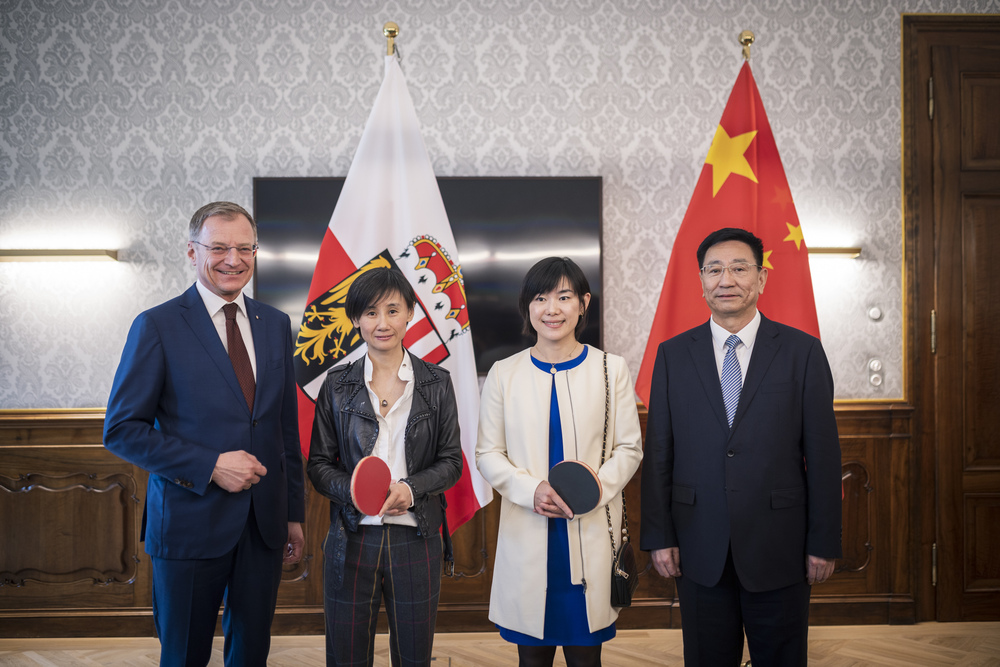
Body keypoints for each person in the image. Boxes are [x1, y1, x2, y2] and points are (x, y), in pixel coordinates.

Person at [103, 201, 305, 667]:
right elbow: (121, 431)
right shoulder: (157, 325)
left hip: (263, 525)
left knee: (252, 651)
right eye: (218, 247)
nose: (233, 259)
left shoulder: (275, 324)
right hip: (189, 524)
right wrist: (211, 465)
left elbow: (283, 429)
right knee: (184, 655)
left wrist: (293, 512)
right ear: (193, 253)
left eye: (244, 248)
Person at [639, 227, 842, 666]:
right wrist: (659, 536)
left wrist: (823, 541)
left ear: (762, 278)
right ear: (701, 280)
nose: (725, 279)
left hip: (780, 545)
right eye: (714, 269)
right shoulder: (673, 354)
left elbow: (824, 455)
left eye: (738, 268)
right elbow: (659, 451)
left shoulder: (802, 351)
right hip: (697, 544)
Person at [476, 257, 643, 667]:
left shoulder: (610, 369)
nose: (552, 308)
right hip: (528, 534)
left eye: (564, 296)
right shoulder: (504, 373)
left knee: (586, 659)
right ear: (527, 307)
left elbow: (629, 448)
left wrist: (590, 491)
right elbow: (487, 453)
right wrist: (531, 490)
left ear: (583, 303)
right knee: (531, 658)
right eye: (540, 297)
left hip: (590, 536)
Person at [307, 266, 463, 667]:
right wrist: (359, 493)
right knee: (346, 657)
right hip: (352, 537)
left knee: (414, 657)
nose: (382, 323)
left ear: (410, 312)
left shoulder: (437, 382)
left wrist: (410, 489)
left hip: (417, 537)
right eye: (370, 312)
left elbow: (451, 462)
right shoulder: (337, 385)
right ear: (356, 318)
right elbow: (320, 465)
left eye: (393, 310)